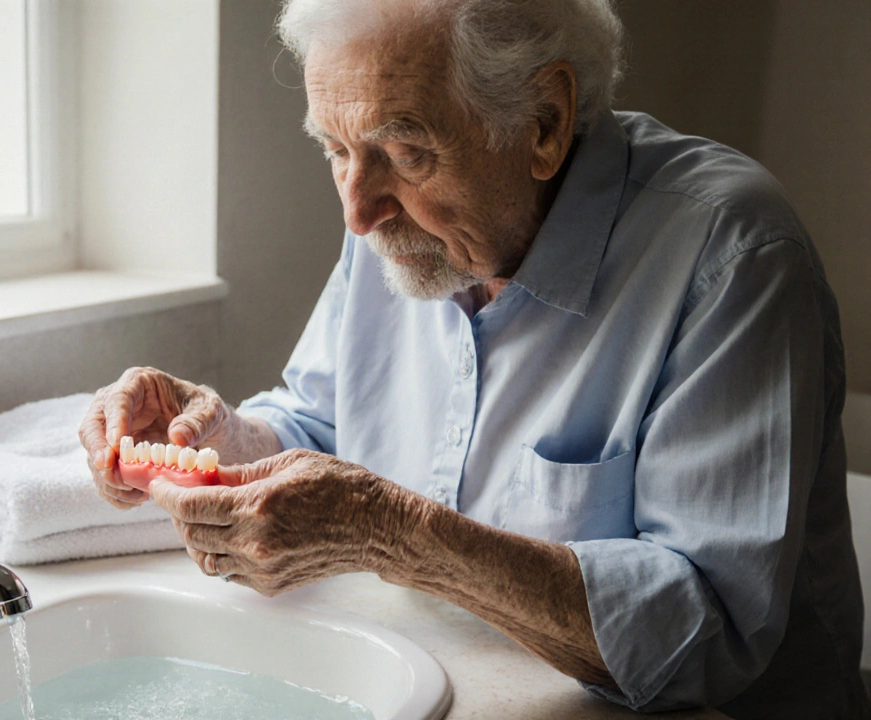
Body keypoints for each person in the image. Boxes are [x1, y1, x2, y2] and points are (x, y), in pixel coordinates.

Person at [77, 0, 868, 716]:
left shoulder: (734, 255)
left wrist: (392, 533)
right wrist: (212, 439)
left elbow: (709, 636)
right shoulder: (400, 231)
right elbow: (320, 423)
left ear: (546, 122)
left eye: (404, 151)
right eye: (335, 149)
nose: (357, 211)